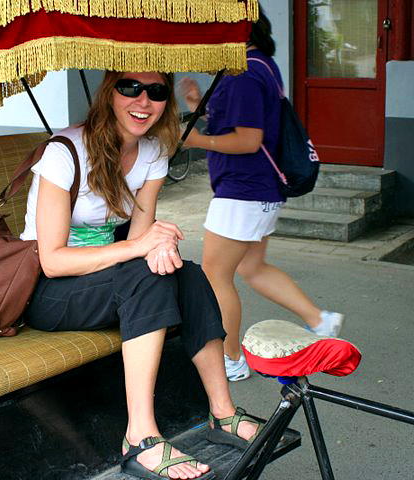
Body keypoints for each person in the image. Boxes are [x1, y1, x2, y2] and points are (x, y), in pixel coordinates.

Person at [20, 71, 259, 480]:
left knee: (187, 273)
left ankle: (222, 411)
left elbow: (140, 238)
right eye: (129, 88)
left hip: (104, 281)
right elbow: (53, 262)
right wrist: (143, 247)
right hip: (47, 292)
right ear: (108, 93)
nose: (143, 101)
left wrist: (160, 245)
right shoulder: (65, 152)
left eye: (157, 91)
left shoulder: (152, 154)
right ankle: (141, 435)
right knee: (146, 275)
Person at [178, 10, 344, 383]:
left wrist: (195, 139)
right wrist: (196, 108)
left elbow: (249, 140)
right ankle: (321, 320)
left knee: (214, 276)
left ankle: (231, 358)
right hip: (258, 191)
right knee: (251, 268)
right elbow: (243, 129)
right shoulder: (260, 66)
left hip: (241, 192)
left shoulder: (244, 73)